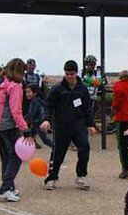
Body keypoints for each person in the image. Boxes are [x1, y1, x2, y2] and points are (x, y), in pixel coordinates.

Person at [39, 60, 98, 191]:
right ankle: (52, 177)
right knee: (58, 152)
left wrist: (90, 124)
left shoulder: (82, 89)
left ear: (76, 73)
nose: (70, 76)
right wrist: (46, 119)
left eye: (72, 74)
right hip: (61, 125)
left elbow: (87, 108)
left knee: (84, 147)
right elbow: (48, 105)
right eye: (67, 74)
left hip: (78, 124)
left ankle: (81, 175)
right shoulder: (57, 89)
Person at [0, 58, 33, 202]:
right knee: (16, 156)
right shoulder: (15, 86)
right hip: (7, 125)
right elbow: (16, 111)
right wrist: (25, 130)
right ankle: (5, 188)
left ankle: (9, 186)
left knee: (5, 156)